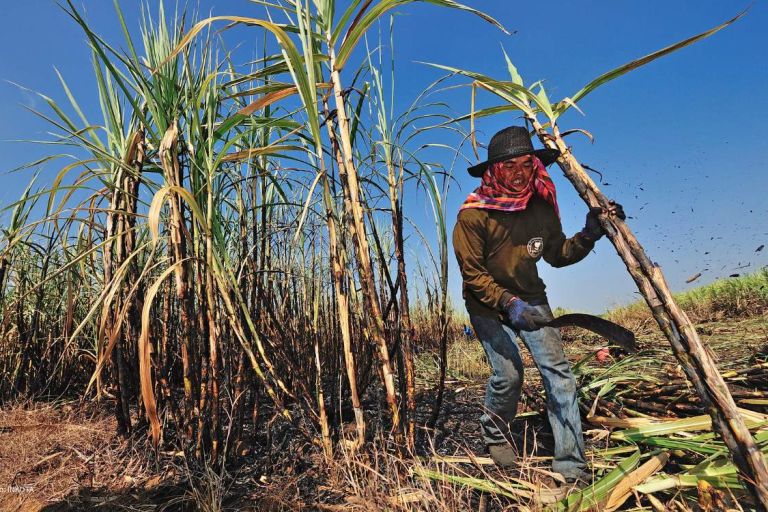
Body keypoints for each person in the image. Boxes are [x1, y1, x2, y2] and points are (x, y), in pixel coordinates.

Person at [452, 126, 624, 484]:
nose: (519, 174)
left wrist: (589, 234)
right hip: (487, 304)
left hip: (531, 296)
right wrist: (508, 304)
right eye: (509, 166)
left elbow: (558, 255)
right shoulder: (472, 216)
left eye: (526, 164)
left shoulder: (540, 207)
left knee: (559, 374)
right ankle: (495, 431)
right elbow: (473, 275)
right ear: (494, 171)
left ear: (535, 166)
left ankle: (571, 466)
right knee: (509, 374)